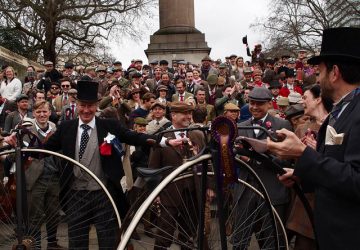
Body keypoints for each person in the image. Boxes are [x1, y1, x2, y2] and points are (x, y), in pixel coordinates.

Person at [267, 27, 360, 249]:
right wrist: (302, 174)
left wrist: (302, 153)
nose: (317, 78)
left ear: (334, 72)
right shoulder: (339, 113)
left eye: (319, 72)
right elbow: (334, 167)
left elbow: (356, 180)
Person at [43, 80, 157, 249]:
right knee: (76, 242)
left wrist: (162, 141)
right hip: (75, 195)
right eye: (83, 105)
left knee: (108, 242)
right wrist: (19, 150)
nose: (86, 110)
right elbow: (45, 149)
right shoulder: (66, 127)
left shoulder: (109, 125)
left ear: (97, 106)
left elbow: (133, 136)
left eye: (91, 106)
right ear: (77, 104)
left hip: (104, 194)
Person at [232, 87, 292, 249]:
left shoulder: (282, 124)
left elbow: (287, 160)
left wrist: (255, 159)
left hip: (272, 189)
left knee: (272, 241)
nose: (255, 107)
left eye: (259, 103)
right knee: (239, 240)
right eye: (252, 103)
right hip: (245, 190)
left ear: (269, 104)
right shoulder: (241, 126)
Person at [148, 101, 206, 249]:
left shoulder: (198, 135)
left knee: (188, 237)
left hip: (192, 193)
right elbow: (153, 168)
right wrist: (155, 193)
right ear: (173, 115)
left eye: (190, 113)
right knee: (164, 236)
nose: (188, 117)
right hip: (170, 194)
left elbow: (207, 163)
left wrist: (209, 187)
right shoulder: (162, 137)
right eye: (185, 113)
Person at [24, 100, 63, 249]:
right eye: (39, 112)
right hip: (35, 178)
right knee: (35, 215)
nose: (42, 114)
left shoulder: (54, 127)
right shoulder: (27, 129)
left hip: (53, 176)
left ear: (49, 113)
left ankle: (52, 243)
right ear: (33, 113)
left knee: (54, 213)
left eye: (45, 111)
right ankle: (36, 245)